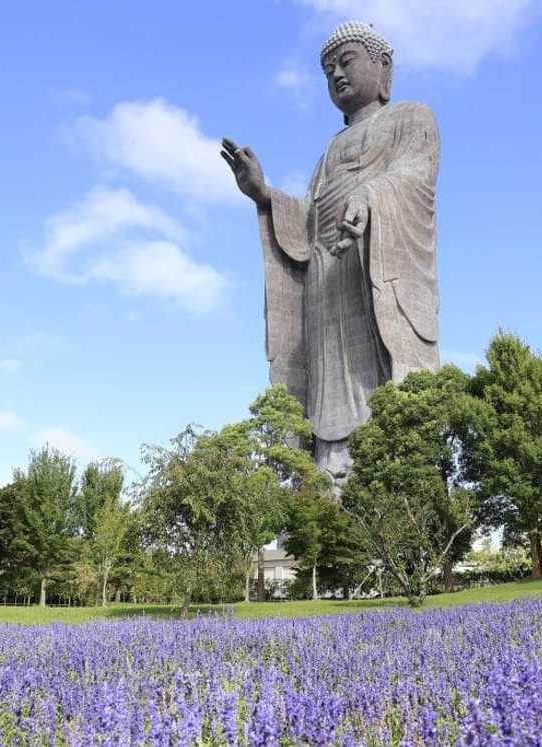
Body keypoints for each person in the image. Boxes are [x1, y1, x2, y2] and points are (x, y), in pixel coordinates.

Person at [221, 21, 441, 483]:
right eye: (328, 70)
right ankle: (327, 465)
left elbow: (416, 172)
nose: (337, 75)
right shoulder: (329, 149)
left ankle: (382, 464)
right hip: (325, 280)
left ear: (383, 68)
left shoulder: (410, 117)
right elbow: (307, 222)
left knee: (377, 381)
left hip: (372, 269)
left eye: (347, 61)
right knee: (324, 380)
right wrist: (265, 195)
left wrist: (370, 195)